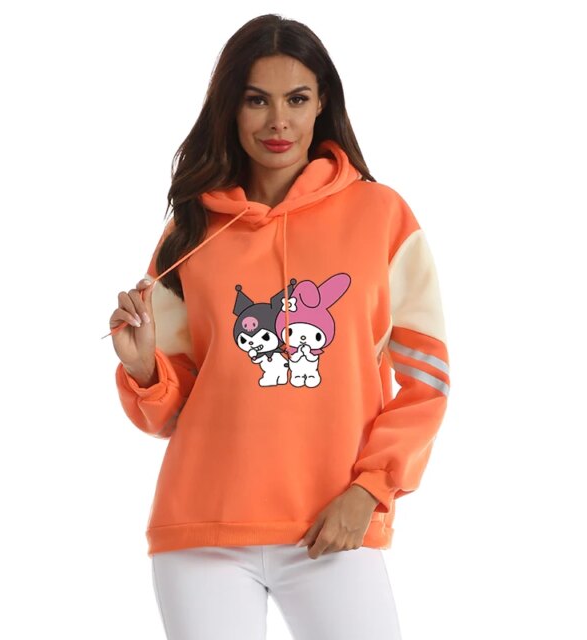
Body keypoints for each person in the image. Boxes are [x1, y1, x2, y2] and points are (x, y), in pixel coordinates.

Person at [107, 13, 450, 640]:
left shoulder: (382, 217)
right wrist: (142, 367)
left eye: (296, 99)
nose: (278, 122)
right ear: (231, 108)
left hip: (333, 525)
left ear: (322, 104)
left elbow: (426, 381)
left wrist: (370, 490)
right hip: (203, 529)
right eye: (256, 100)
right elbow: (169, 412)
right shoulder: (191, 233)